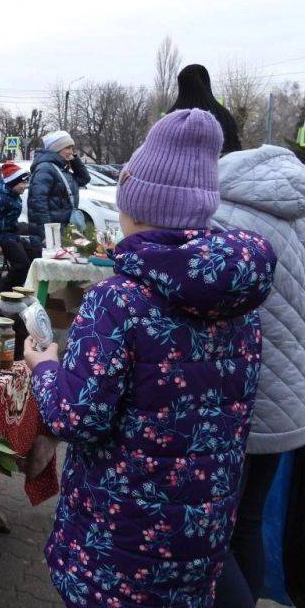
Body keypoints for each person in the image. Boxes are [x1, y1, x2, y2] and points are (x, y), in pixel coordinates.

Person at [24, 109, 276, 608]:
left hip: (121, 535)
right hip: (199, 531)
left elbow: (77, 416)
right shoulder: (240, 302)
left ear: (135, 207)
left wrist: (46, 367)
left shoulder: (118, 300)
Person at [167, 93, 305, 606]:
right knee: (246, 523)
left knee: (208, 533)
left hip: (235, 402)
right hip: (289, 402)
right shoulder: (298, 213)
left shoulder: (221, 218)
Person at [0, 161, 40, 291]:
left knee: (35, 257)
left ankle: (21, 289)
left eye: (26, 183)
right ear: (12, 182)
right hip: (2, 237)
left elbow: (10, 220)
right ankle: (1, 292)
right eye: (22, 183)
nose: (25, 186)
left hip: (12, 235)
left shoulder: (15, 196)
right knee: (21, 265)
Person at [27, 130, 90, 239]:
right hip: (51, 234)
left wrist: (74, 160)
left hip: (62, 230)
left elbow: (84, 179)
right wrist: (48, 235)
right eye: (67, 148)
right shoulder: (45, 168)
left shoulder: (61, 168)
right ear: (56, 149)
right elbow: (38, 205)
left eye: (72, 148)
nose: (71, 152)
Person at [170, 63, 242, 154]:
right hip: (220, 167)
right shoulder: (223, 115)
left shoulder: (169, 118)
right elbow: (235, 153)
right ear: (205, 82)